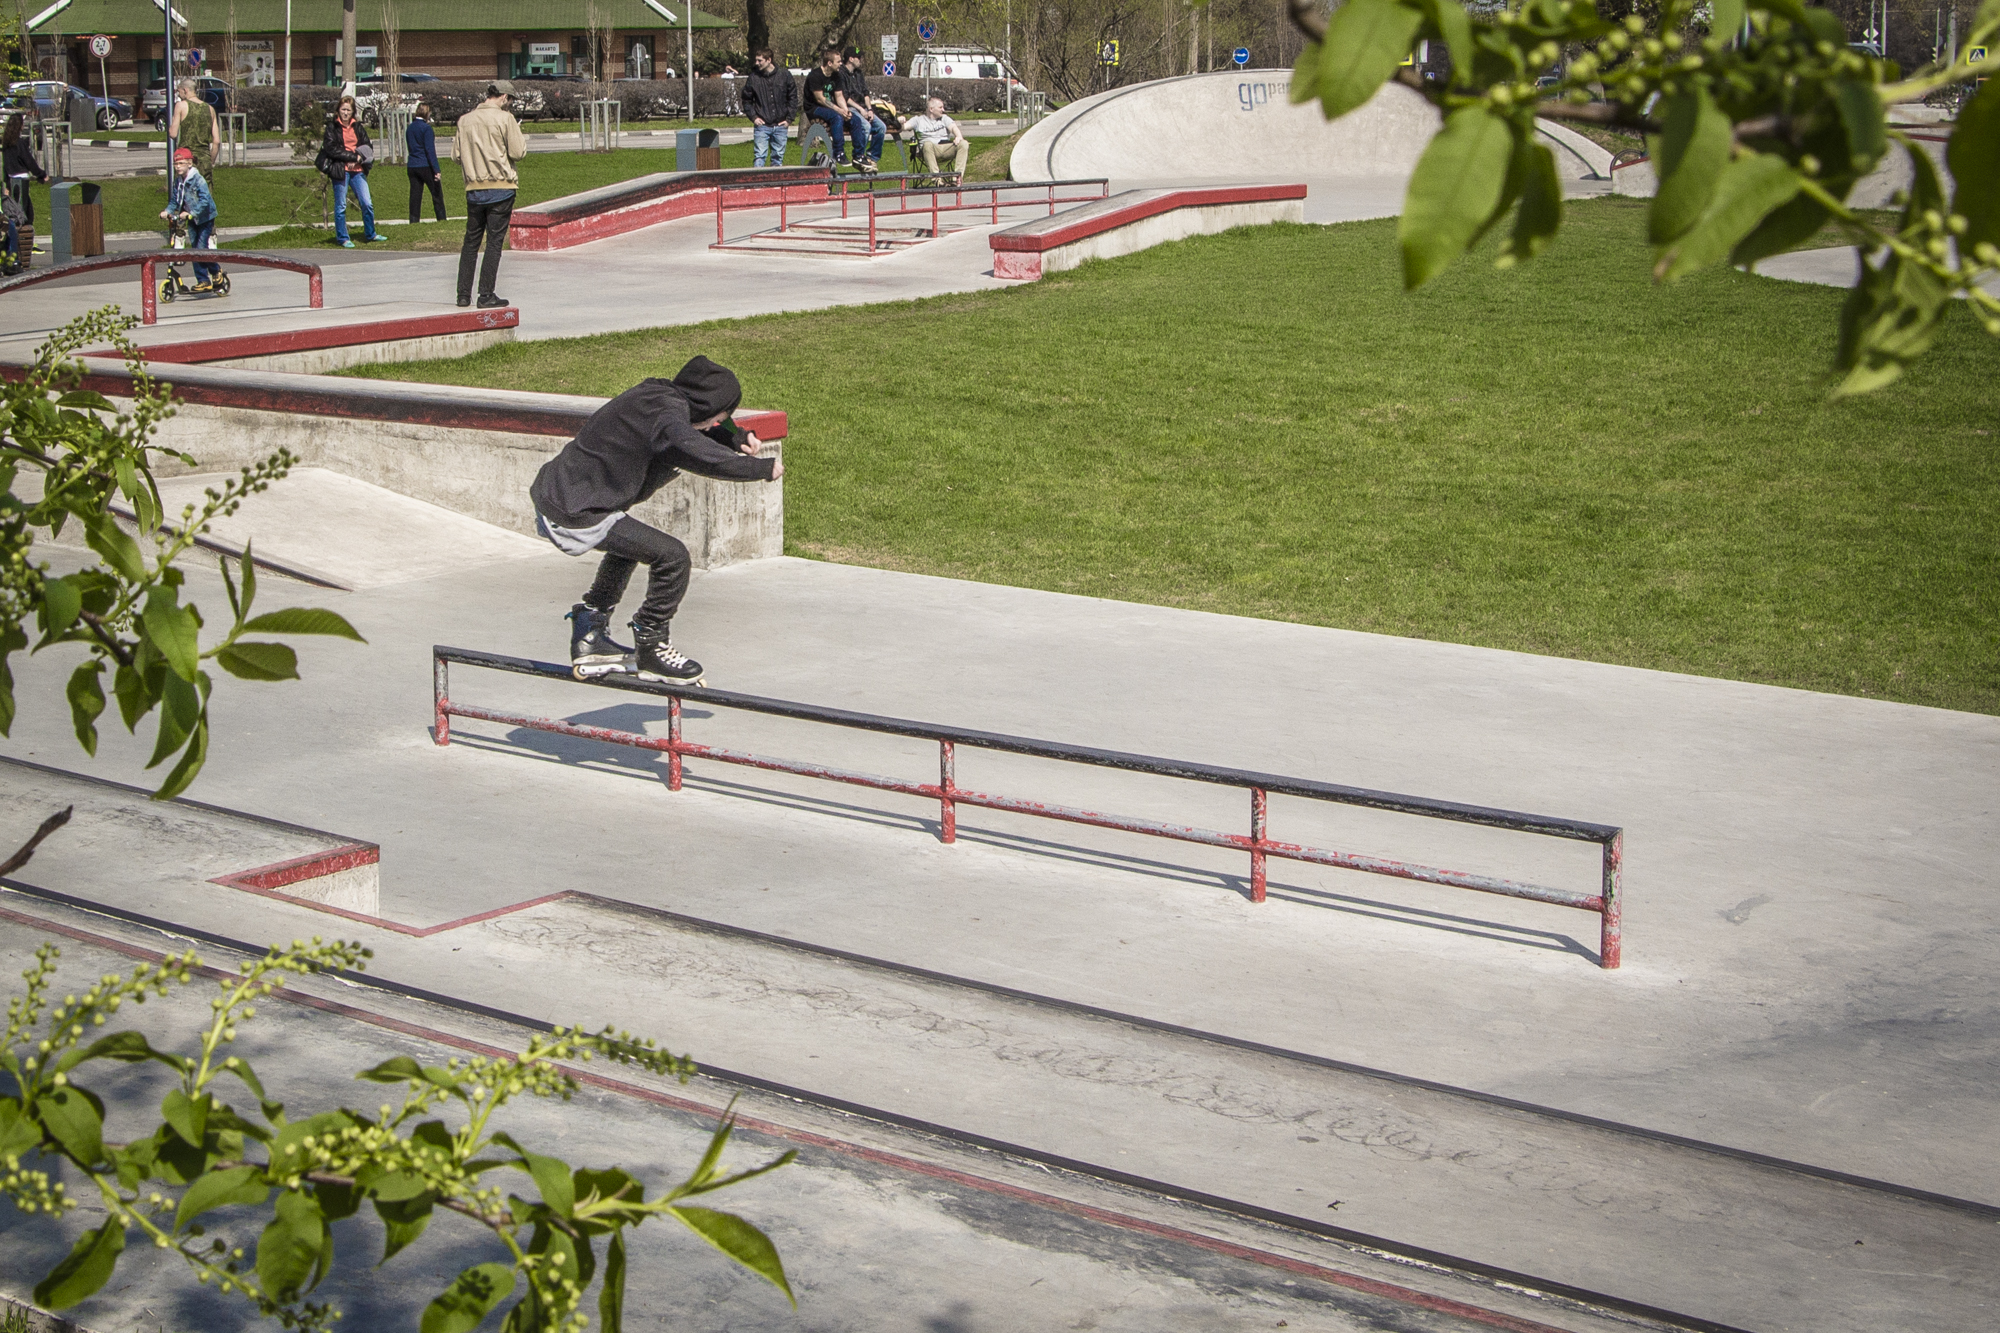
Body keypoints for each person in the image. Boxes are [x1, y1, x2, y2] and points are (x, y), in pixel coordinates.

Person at [529, 356, 783, 686]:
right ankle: (652, 643)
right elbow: (696, 449)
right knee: (673, 557)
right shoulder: (669, 426)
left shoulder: (657, 394)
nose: (715, 425)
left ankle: (590, 630)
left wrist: (736, 435)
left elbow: (698, 428)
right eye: (719, 419)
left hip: (563, 494)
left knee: (631, 547)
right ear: (705, 408)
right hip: (576, 510)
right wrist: (760, 468)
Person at [454, 80, 527, 310]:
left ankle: (463, 294)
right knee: (494, 242)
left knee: (471, 242)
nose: (510, 104)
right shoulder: (505, 119)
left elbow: (456, 155)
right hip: (501, 186)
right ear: (504, 97)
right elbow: (518, 152)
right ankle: (485, 294)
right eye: (510, 100)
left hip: (474, 188)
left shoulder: (465, 120)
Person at [317, 95, 381, 248]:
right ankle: (343, 238)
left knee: (367, 203)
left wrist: (359, 158)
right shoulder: (332, 128)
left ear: (353, 112)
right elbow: (332, 149)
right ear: (338, 110)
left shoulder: (358, 127)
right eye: (343, 109)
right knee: (341, 205)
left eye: (348, 110)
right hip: (340, 170)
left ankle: (371, 233)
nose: (345, 113)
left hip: (357, 170)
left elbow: (367, 146)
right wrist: (352, 157)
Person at [160, 146, 223, 292]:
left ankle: (215, 270)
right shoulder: (178, 182)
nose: (178, 167)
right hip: (192, 219)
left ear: (189, 163)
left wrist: (192, 213)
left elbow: (205, 200)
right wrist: (167, 211)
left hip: (205, 217)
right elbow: (175, 200)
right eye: (176, 164)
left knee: (201, 249)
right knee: (195, 250)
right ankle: (203, 280)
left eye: (181, 163)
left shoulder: (198, 180)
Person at [804, 48, 871, 170]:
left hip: (832, 108)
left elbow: (839, 96)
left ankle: (859, 155)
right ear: (829, 63)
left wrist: (845, 110)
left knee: (855, 120)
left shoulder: (837, 75)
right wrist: (839, 111)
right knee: (836, 117)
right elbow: (820, 99)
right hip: (814, 108)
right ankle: (838, 152)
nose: (841, 64)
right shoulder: (815, 75)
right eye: (838, 62)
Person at [1, 115, 45, 265]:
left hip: (11, 179)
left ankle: (20, 244)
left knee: (16, 212)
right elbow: (28, 161)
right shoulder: (19, 143)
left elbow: (5, 166)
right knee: (24, 213)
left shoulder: (6, 144)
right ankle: (23, 245)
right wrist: (41, 174)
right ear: (19, 126)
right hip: (21, 180)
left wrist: (6, 184)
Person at [741, 49, 796, 167]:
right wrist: (754, 117)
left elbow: (793, 98)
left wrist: (789, 119)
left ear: (769, 60)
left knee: (777, 159)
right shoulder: (754, 78)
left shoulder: (784, 75)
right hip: (762, 125)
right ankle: (758, 179)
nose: (757, 63)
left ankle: (774, 180)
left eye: (760, 60)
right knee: (759, 157)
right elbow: (746, 100)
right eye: (756, 60)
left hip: (780, 125)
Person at [839, 48, 887, 168]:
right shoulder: (841, 73)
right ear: (851, 59)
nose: (861, 60)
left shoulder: (859, 73)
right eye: (859, 58)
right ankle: (859, 156)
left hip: (863, 108)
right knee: (866, 126)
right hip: (850, 107)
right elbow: (845, 97)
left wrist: (869, 109)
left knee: (881, 127)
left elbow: (865, 93)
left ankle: (872, 157)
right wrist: (860, 109)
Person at [906, 96, 970, 180]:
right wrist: (900, 121)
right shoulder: (918, 120)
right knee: (927, 144)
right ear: (931, 109)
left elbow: (954, 128)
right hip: (928, 150)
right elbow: (904, 127)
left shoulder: (944, 118)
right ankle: (937, 179)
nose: (943, 110)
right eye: (940, 107)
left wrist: (958, 136)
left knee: (964, 143)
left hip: (945, 148)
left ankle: (957, 179)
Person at [169, 78, 219, 179]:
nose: (179, 95)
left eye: (179, 92)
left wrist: (173, 120)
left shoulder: (181, 106)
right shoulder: (210, 109)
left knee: (185, 188)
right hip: (204, 159)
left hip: (185, 160)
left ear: (185, 90)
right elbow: (217, 141)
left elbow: (173, 134)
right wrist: (211, 161)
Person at [405, 102, 445, 223]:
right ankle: (441, 218)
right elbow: (430, 150)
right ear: (427, 114)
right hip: (425, 164)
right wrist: (436, 169)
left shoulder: (410, 128)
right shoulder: (426, 129)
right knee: (436, 193)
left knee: (415, 195)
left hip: (412, 165)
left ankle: (414, 220)